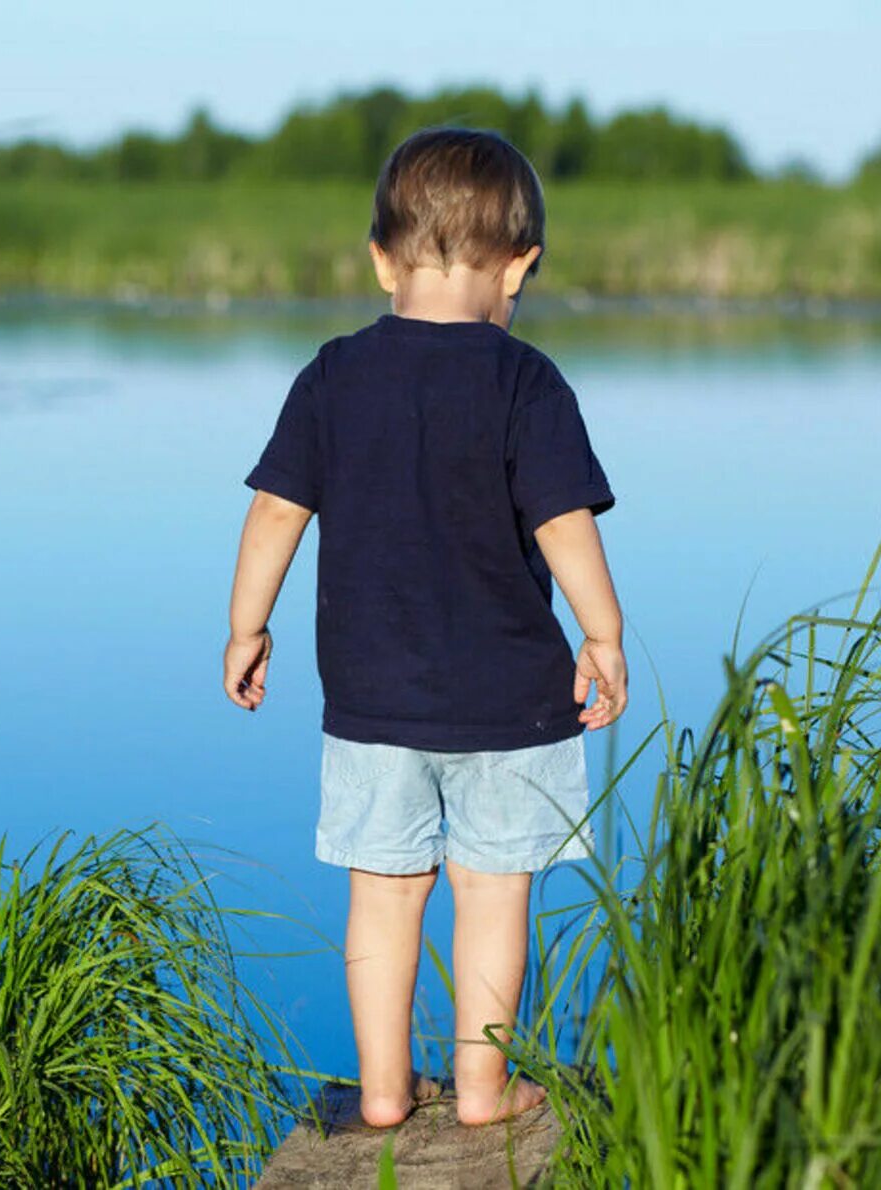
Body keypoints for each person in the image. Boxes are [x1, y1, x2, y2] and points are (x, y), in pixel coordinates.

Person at [222, 127, 626, 1129]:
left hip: (369, 701)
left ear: (378, 259)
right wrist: (604, 632)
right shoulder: (527, 382)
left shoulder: (332, 376)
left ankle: (386, 1091)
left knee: (384, 896)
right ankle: (486, 1089)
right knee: (494, 896)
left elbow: (277, 507)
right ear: (519, 265)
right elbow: (561, 521)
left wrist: (246, 624)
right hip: (511, 704)